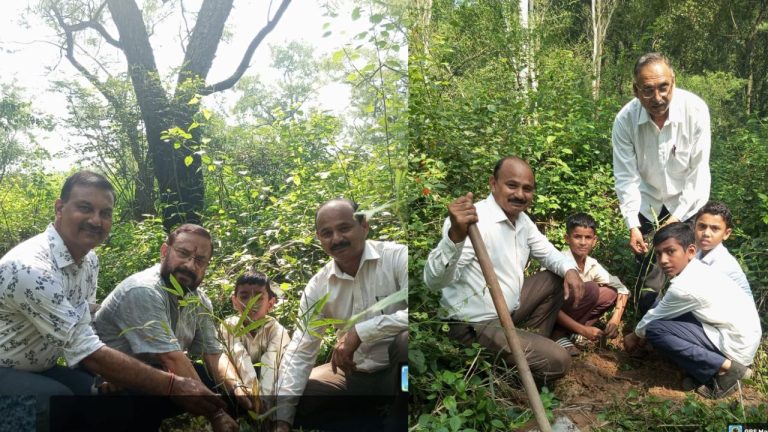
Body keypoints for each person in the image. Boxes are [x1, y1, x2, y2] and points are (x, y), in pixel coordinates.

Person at [0, 171, 231, 432]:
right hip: (6, 367)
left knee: (110, 405)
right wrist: (173, 385)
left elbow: (82, 322)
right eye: (85, 208)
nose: (95, 220)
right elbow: (85, 349)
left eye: (105, 213)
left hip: (42, 366)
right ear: (60, 208)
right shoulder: (31, 268)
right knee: (48, 400)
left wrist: (105, 372)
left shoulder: (88, 261)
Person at [423, 156, 584, 384]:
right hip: (472, 325)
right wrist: (455, 237)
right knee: (559, 360)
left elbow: (548, 253)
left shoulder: (523, 221)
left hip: (506, 313)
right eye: (512, 185)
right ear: (493, 183)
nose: (520, 194)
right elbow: (434, 282)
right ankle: (506, 374)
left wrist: (570, 269)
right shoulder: (473, 221)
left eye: (527, 189)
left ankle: (528, 349)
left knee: (554, 278)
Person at [93, 223, 246, 430]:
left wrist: (241, 391)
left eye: (200, 260)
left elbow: (213, 354)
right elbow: (171, 357)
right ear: (165, 251)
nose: (190, 265)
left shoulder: (198, 300)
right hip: (108, 381)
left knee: (213, 380)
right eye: (183, 253)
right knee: (136, 397)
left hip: (153, 373)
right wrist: (216, 414)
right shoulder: (144, 290)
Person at [274, 199, 408, 432]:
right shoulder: (318, 285)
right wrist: (282, 420)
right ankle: (367, 419)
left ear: (364, 226)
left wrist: (362, 331)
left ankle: (399, 416)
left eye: (344, 228)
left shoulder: (397, 258)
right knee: (303, 395)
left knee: (407, 342)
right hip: (354, 376)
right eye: (327, 233)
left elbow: (420, 314)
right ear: (319, 238)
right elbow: (301, 350)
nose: (336, 239)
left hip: (397, 373)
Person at [612, 52, 711, 315]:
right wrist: (632, 223)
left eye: (663, 87)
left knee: (690, 269)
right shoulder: (625, 120)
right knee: (649, 272)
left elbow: (698, 172)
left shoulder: (695, 110)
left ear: (673, 82)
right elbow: (626, 176)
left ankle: (689, 330)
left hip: (687, 203)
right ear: (635, 90)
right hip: (648, 204)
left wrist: (678, 216)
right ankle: (647, 327)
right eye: (648, 90)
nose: (657, 98)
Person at [623, 223, 760, 399]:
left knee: (655, 330)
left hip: (735, 347)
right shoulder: (698, 270)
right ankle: (705, 371)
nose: (663, 260)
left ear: (691, 251)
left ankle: (728, 370)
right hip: (738, 338)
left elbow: (653, 318)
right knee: (666, 317)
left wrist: (634, 335)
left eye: (670, 251)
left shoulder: (684, 286)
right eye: (658, 254)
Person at [548, 213, 630, 356]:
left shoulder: (592, 264)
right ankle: (559, 334)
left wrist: (615, 319)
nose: (583, 242)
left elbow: (622, 289)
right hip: (551, 315)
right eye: (577, 237)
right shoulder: (557, 261)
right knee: (591, 288)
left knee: (609, 293)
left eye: (588, 237)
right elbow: (547, 304)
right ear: (567, 238)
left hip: (571, 313)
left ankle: (574, 333)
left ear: (594, 240)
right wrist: (582, 329)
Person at [219, 271, 290, 410]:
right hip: (238, 387)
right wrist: (253, 395)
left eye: (258, 297)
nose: (251, 303)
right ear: (235, 302)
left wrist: (263, 401)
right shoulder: (228, 326)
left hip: (271, 389)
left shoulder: (277, 330)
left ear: (270, 304)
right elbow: (239, 357)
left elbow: (271, 363)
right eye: (244, 297)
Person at [693, 201, 751, 297]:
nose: (706, 233)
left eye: (714, 228)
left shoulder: (723, 264)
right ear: (694, 227)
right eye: (702, 226)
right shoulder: (697, 255)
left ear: (726, 234)